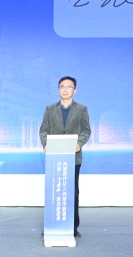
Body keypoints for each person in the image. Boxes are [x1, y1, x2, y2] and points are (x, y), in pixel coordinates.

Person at [39, 76, 91, 238]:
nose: (65, 90)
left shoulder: (82, 109)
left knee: (72, 193)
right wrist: (46, 143)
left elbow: (86, 130)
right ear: (58, 90)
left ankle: (72, 227)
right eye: (62, 86)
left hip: (73, 158)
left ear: (75, 90)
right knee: (54, 191)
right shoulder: (50, 109)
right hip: (54, 158)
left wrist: (79, 143)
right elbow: (43, 130)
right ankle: (52, 225)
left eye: (69, 87)